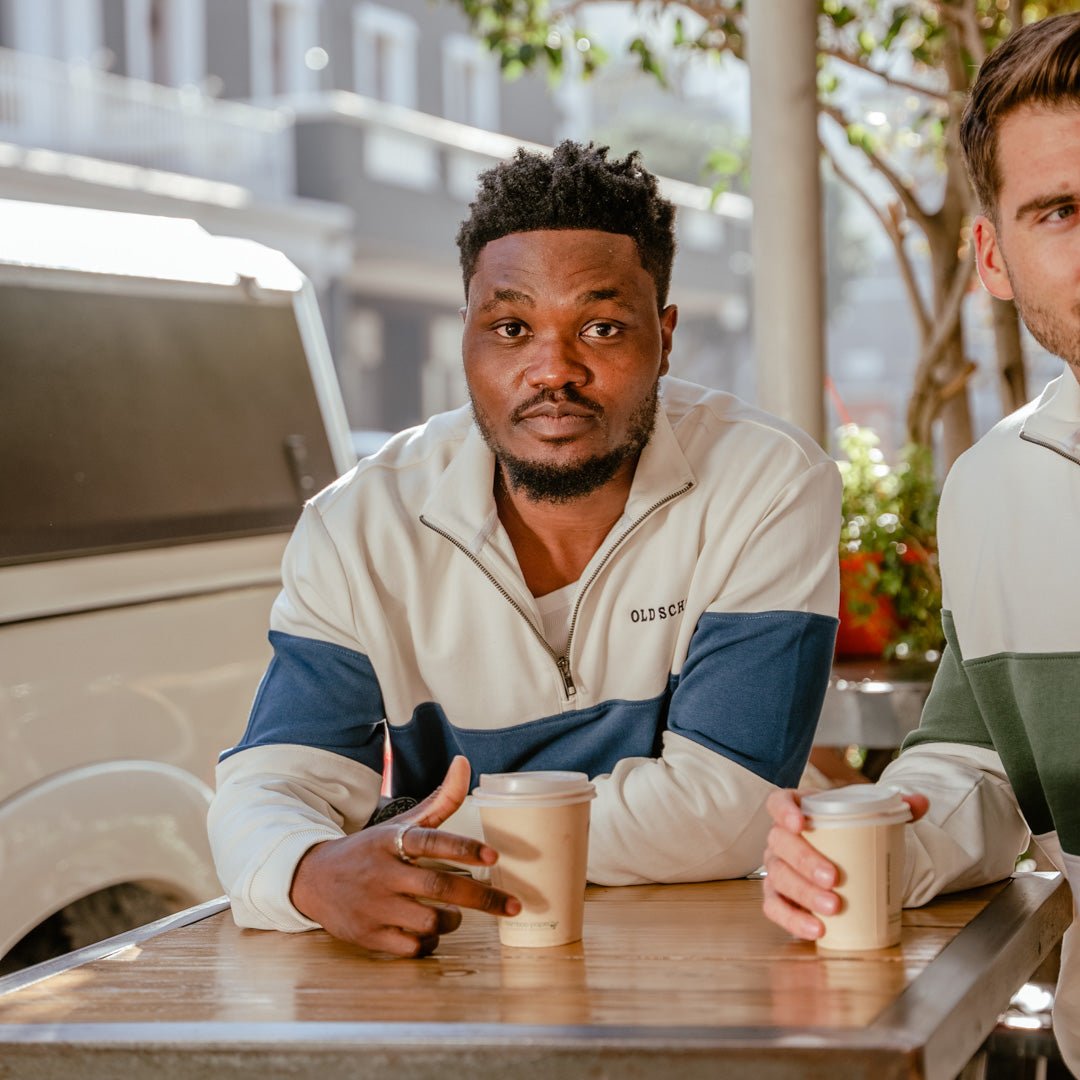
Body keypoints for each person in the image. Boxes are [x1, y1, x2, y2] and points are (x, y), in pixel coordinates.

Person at [208, 140, 842, 958]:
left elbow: (727, 808)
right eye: (512, 327)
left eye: (602, 327)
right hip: (467, 965)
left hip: (718, 955)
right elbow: (271, 782)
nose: (554, 370)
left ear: (666, 335)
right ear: (467, 335)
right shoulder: (360, 525)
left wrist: (408, 836)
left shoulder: (766, 481)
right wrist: (308, 871)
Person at [760, 13, 1080, 1074]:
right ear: (994, 255)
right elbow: (982, 763)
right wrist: (889, 831)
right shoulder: (995, 491)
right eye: (1062, 211)